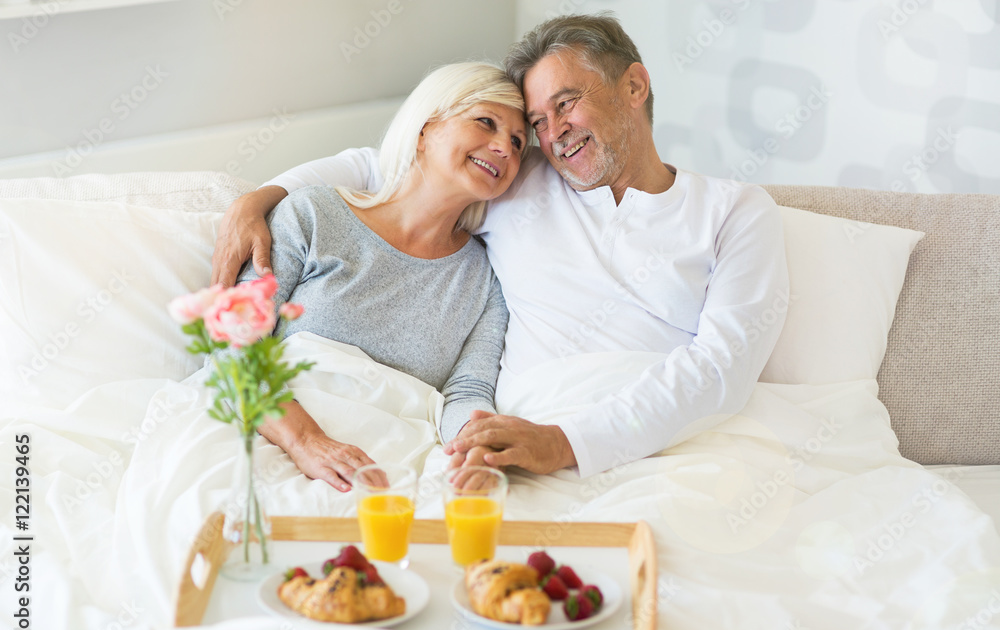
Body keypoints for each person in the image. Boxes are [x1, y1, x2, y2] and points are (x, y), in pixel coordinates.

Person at [212, 13, 788, 480]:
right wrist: (261, 196)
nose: (549, 134)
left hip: (655, 442)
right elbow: (386, 165)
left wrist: (564, 444)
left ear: (634, 85)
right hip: (519, 442)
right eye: (537, 121)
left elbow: (723, 367)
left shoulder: (734, 211)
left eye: (565, 104)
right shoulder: (519, 180)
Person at [237, 62, 527, 491]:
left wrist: (474, 446)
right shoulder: (313, 214)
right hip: (269, 434)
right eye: (487, 122)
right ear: (426, 129)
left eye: (520, 143)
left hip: (389, 459)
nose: (505, 147)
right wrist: (305, 441)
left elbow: (467, 391)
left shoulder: (486, 279)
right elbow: (234, 346)